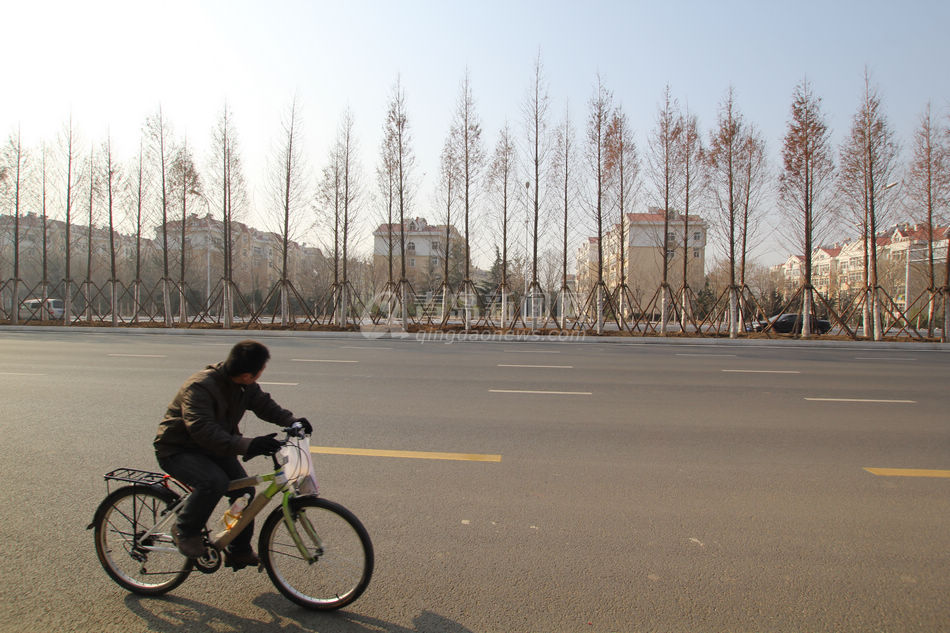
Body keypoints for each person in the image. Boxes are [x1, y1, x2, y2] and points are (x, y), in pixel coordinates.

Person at [153, 340, 312, 568]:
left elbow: (264, 405)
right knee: (213, 482)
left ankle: (239, 550)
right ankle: (185, 529)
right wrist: (249, 445)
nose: (261, 374)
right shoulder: (199, 387)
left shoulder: (244, 385)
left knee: (244, 491)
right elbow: (202, 430)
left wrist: (292, 421)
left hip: (214, 448)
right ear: (248, 374)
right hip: (178, 449)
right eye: (260, 370)